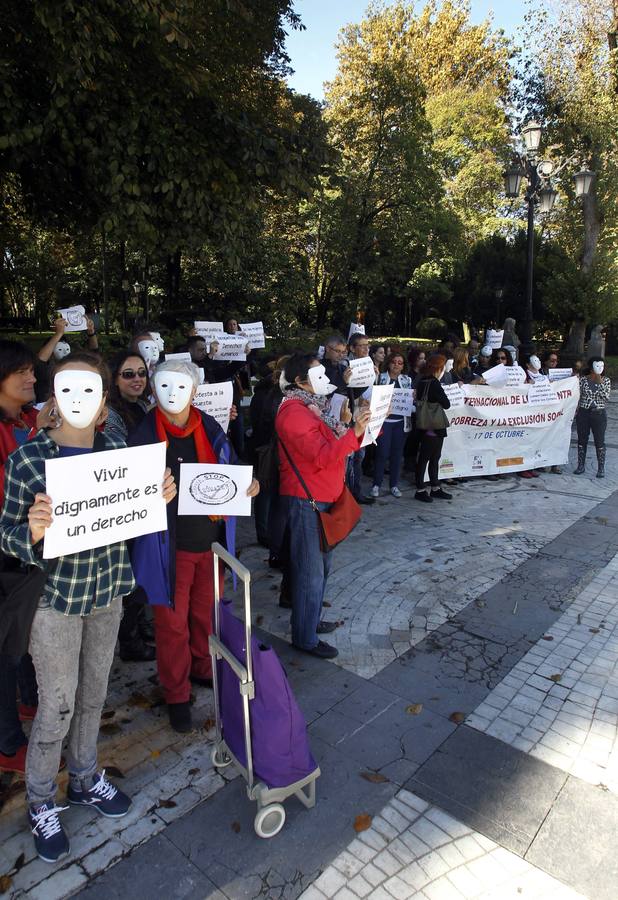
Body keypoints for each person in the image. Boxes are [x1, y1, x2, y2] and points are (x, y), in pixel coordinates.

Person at [0, 350, 176, 863]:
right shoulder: (28, 460)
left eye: (89, 390)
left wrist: (156, 496)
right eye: (67, 389)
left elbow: (131, 517)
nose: (78, 399)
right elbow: (5, 533)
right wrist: (30, 532)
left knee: (94, 694)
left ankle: (82, 777)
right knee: (56, 704)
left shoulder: (118, 449)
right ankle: (40, 800)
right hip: (54, 601)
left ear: (103, 402)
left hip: (108, 592)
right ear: (54, 397)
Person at [128, 359, 259, 733]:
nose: (172, 394)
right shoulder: (142, 434)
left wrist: (249, 485)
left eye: (181, 386)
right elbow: (130, 492)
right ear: (153, 390)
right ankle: (175, 693)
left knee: (205, 616)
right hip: (167, 550)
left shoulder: (210, 425)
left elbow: (230, 465)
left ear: (195, 391)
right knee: (171, 626)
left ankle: (202, 668)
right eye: (164, 386)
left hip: (210, 545)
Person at [276, 354, 370, 659]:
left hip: (324, 497)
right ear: (300, 381)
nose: (324, 377)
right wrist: (353, 430)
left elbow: (340, 441)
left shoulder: (311, 407)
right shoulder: (293, 413)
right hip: (308, 501)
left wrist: (363, 424)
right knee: (310, 572)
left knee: (321, 567)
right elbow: (323, 455)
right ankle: (304, 637)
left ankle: (309, 620)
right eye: (316, 373)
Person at [0, 341, 45, 777]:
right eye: (23, 373)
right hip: (7, 549)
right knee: (4, 646)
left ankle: (30, 700)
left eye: (32, 371)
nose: (33, 378)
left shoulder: (30, 419)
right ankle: (7, 740)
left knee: (26, 635)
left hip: (29, 552)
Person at [104, 352, 156, 663]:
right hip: (128, 503)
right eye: (128, 374)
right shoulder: (111, 415)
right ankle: (130, 641)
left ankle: (139, 626)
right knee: (133, 574)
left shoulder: (144, 406)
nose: (137, 379)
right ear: (114, 379)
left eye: (141, 373)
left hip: (147, 497)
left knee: (145, 569)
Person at [371, 353, 411, 498]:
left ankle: (394, 485)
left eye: (400, 363)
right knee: (382, 454)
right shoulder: (380, 377)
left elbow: (408, 402)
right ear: (388, 363)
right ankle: (376, 484)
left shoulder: (407, 380)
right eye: (394, 362)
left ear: (403, 366)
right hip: (384, 423)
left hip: (400, 424)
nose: (396, 365)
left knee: (397, 455)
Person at [414, 354, 452, 503]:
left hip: (426, 425)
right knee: (431, 458)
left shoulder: (422, 381)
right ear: (439, 368)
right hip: (435, 426)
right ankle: (424, 489)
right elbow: (446, 404)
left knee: (427, 458)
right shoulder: (435, 383)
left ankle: (431, 487)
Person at [345, 333, 376, 504]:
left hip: (364, 417)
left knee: (359, 457)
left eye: (368, 345)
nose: (366, 349)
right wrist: (357, 400)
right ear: (352, 348)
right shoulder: (346, 366)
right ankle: (347, 495)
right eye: (362, 345)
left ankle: (356, 491)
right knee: (349, 459)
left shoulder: (369, 365)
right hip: (350, 418)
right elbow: (345, 392)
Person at [574, 357, 610, 478]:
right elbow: (576, 394)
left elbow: (605, 397)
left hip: (599, 414)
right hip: (584, 413)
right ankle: (580, 465)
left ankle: (601, 468)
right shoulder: (583, 380)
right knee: (582, 439)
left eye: (601, 366)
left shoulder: (606, 381)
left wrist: (599, 382)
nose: (599, 368)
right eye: (596, 366)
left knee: (599, 441)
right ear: (591, 367)